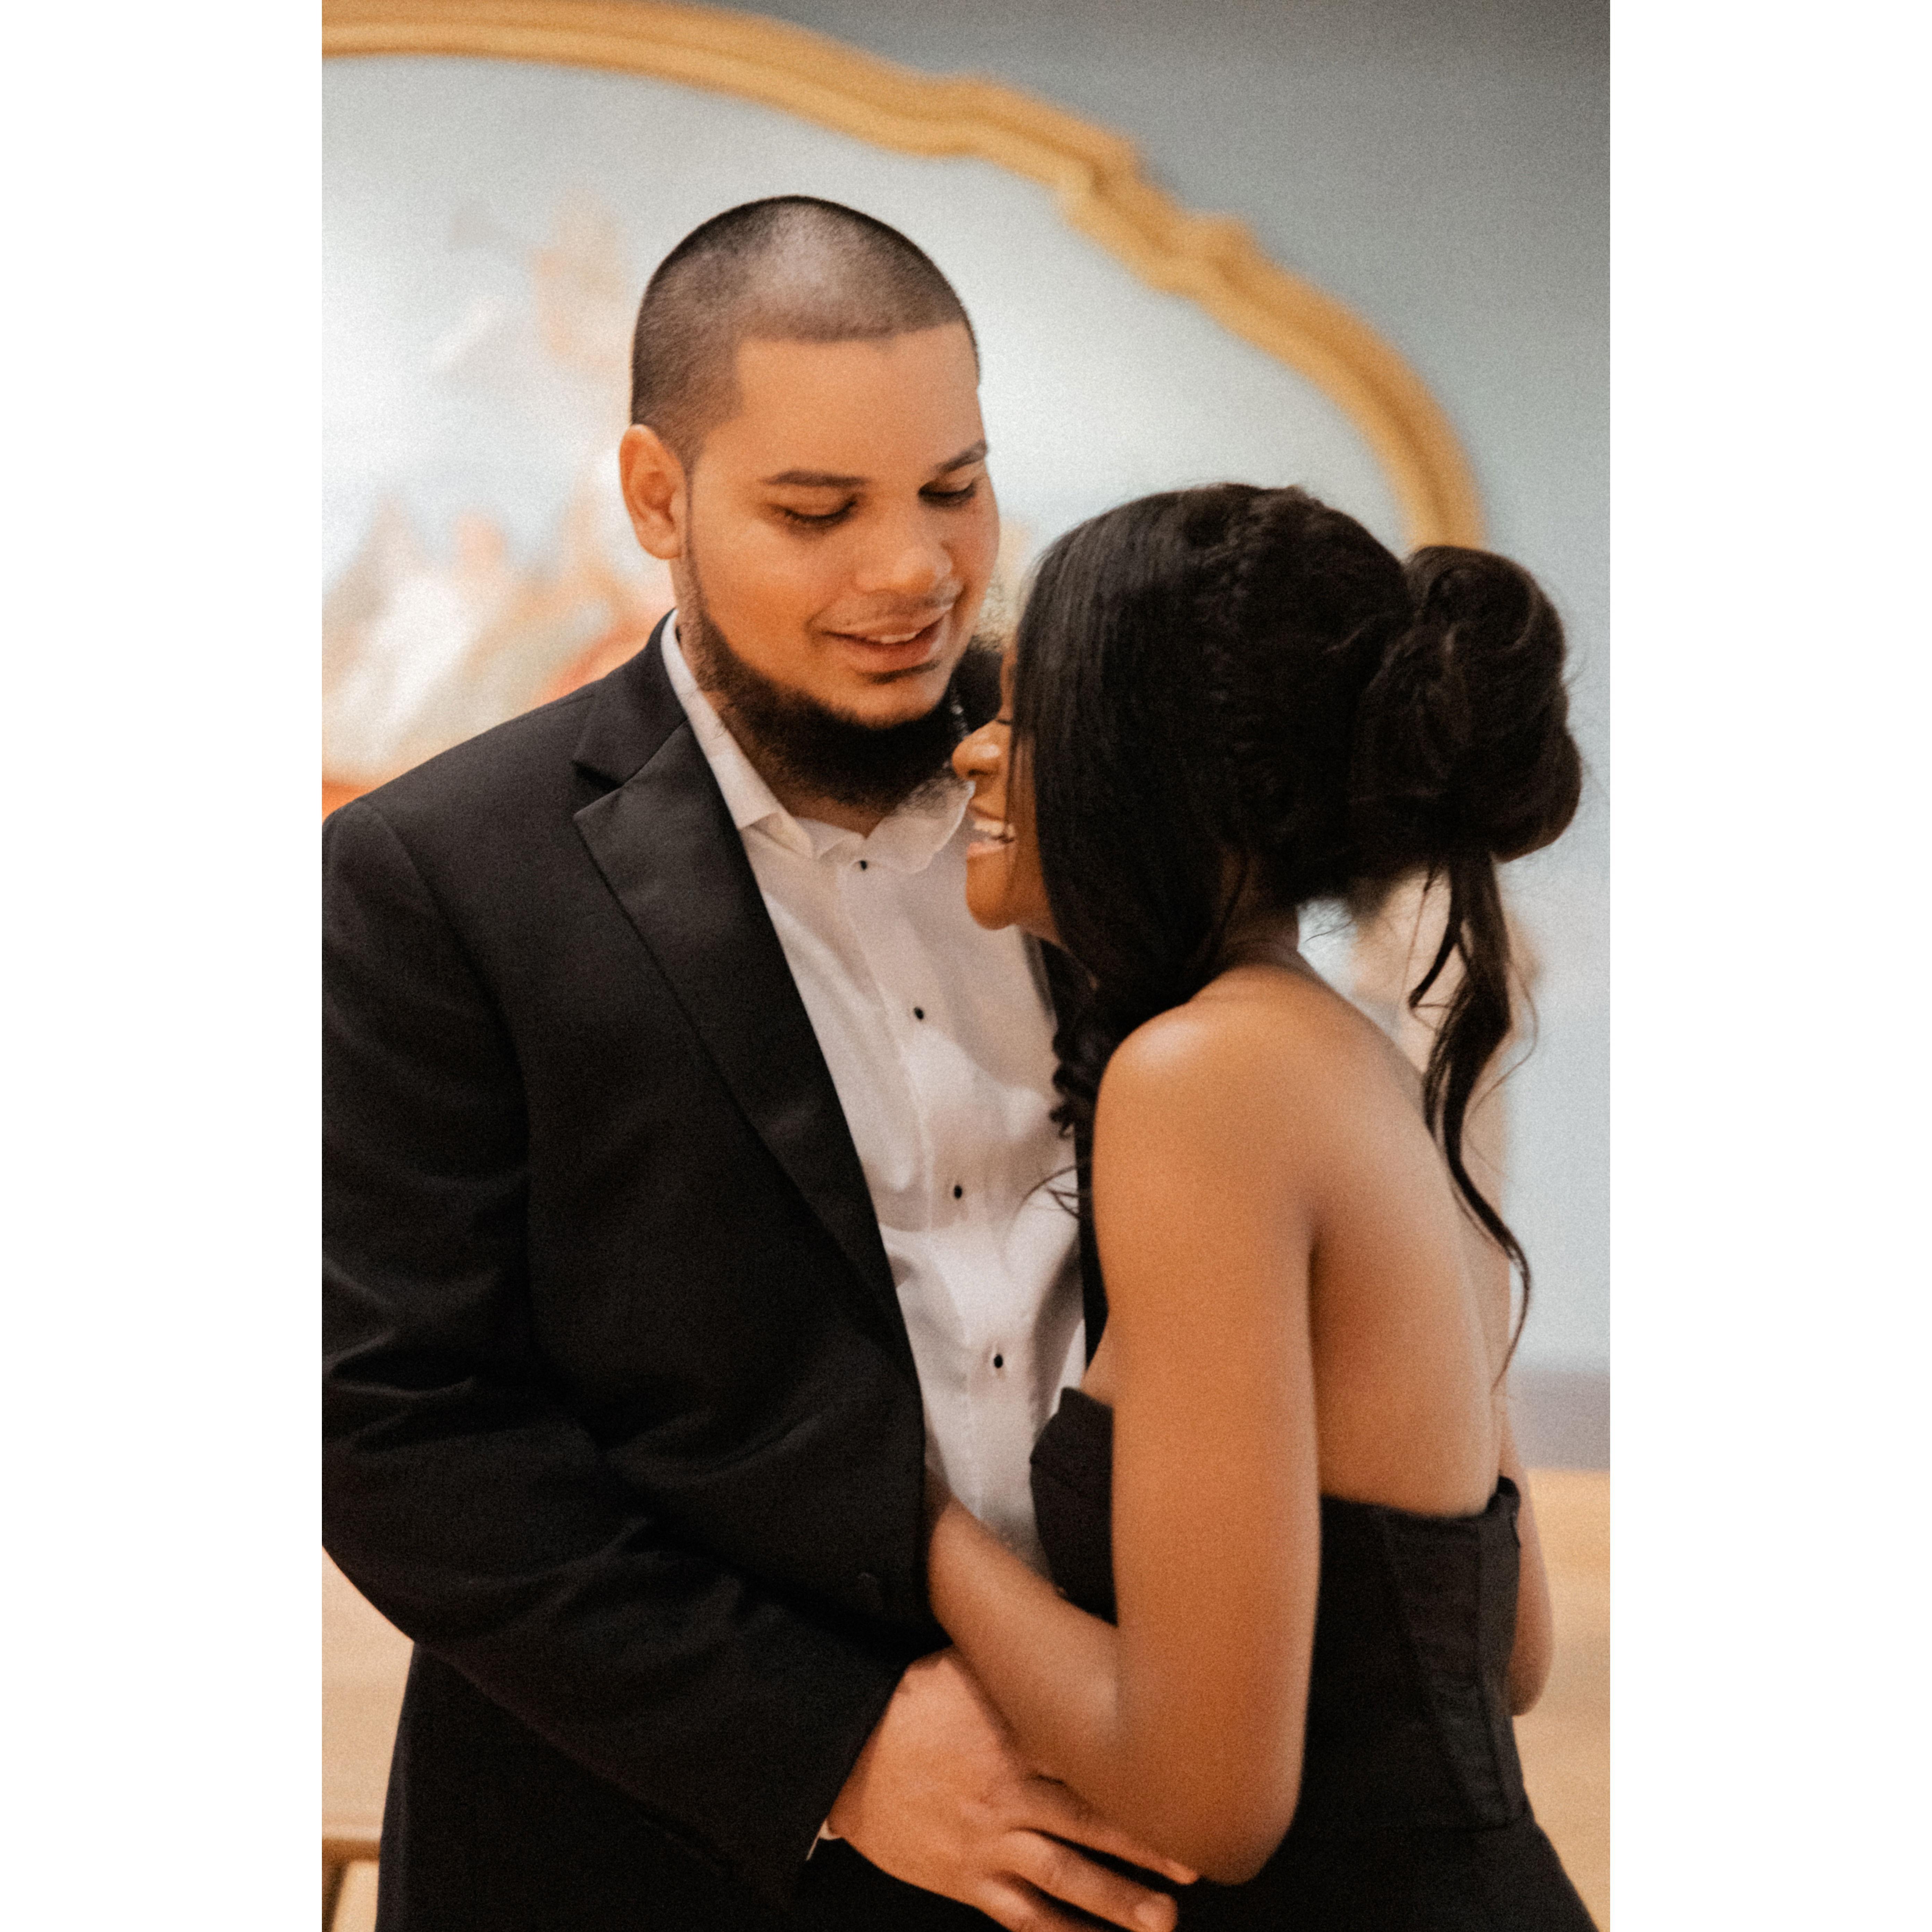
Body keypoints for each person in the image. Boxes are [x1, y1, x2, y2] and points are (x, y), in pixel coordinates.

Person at [323, 197, 1191, 1931]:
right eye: (818, 510)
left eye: (953, 487)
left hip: (1125, 1815)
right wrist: (833, 1746)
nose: (914, 568)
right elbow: (391, 1421)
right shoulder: (432, 877)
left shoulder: (1129, 793)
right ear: (657, 497)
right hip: (647, 1844)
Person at [934, 484, 1598, 1926]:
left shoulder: (1203, 1079)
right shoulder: (1356, 1064)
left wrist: (916, 1523)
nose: (978, 747)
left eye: (1031, 708)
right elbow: (1507, 1649)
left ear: (1153, 759)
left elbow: (1207, 1804)